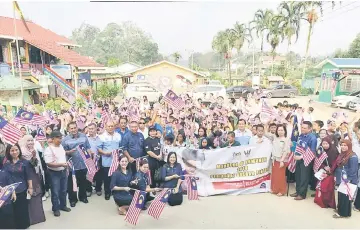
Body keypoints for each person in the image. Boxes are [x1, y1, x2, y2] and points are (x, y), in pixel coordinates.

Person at [61, 122, 93, 207]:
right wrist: (69, 152)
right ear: (68, 129)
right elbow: (62, 152)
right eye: (71, 128)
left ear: (77, 128)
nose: (74, 130)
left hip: (83, 164)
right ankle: (73, 199)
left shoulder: (83, 136)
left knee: (83, 181)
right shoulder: (65, 140)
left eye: (75, 127)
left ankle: (83, 197)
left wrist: (90, 158)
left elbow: (88, 147)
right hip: (72, 165)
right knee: (72, 183)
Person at [18, 135, 46, 225]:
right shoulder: (21, 152)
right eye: (28, 140)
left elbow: (36, 164)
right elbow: (24, 165)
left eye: (31, 140)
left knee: (37, 194)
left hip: (35, 175)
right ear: (24, 141)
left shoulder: (34, 150)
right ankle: (30, 218)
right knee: (29, 196)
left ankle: (38, 217)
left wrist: (33, 156)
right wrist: (32, 157)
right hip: (27, 177)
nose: (30, 142)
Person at [3, 144, 32, 229]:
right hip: (10, 190)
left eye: (16, 150)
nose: (15, 152)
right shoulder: (6, 163)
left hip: (22, 189)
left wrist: (30, 187)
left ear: (19, 150)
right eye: (12, 150)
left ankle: (24, 225)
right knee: (14, 210)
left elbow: (28, 176)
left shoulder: (25, 162)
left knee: (23, 209)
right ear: (9, 151)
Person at [44, 131, 71, 217]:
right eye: (58, 138)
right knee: (55, 191)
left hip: (63, 171)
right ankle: (55, 208)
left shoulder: (61, 147)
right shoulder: (48, 149)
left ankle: (63, 206)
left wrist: (65, 165)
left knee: (63, 190)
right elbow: (48, 163)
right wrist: (61, 164)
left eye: (61, 138)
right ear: (52, 139)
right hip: (54, 173)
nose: (60, 139)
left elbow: (62, 157)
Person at [291, 121, 317, 200]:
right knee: (298, 175)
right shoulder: (301, 135)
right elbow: (298, 145)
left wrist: (301, 157)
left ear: (310, 129)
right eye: (302, 127)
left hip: (306, 160)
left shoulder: (313, 138)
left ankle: (302, 194)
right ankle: (298, 191)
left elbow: (312, 152)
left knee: (304, 177)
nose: (302, 129)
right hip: (298, 157)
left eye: (304, 128)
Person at [333, 140, 358, 218]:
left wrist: (348, 180)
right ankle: (341, 210)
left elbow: (353, 170)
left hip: (348, 180)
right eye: (342, 145)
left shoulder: (353, 156)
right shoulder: (343, 154)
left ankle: (342, 214)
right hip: (342, 178)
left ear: (349, 146)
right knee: (341, 195)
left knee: (345, 197)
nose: (343, 147)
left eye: (345, 145)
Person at [97, 121, 122, 200]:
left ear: (114, 127)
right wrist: (105, 153)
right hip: (106, 160)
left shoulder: (118, 135)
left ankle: (115, 191)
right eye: (109, 126)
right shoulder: (101, 136)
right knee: (107, 178)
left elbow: (120, 146)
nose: (110, 128)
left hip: (116, 161)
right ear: (106, 127)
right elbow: (99, 149)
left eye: (112, 126)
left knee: (116, 177)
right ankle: (107, 192)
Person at [314, 136, 339, 209]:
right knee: (320, 186)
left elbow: (336, 162)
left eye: (326, 144)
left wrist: (330, 170)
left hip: (330, 173)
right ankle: (320, 200)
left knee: (327, 188)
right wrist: (324, 167)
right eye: (323, 143)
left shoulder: (334, 151)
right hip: (322, 171)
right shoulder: (321, 150)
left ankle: (328, 202)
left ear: (330, 144)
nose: (324, 145)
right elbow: (318, 160)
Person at [271, 124, 290, 196]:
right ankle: (275, 189)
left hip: (282, 160)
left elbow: (286, 151)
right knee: (275, 176)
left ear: (285, 131)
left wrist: (282, 160)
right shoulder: (275, 138)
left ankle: (282, 191)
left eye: (282, 130)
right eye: (279, 130)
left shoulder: (286, 139)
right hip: (275, 159)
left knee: (281, 176)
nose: (280, 131)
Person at [0, 144, 16, 229]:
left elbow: (9, 178)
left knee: (8, 214)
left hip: (6, 193)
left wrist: (13, 191)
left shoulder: (5, 163)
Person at [86, 123, 100, 196]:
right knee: (89, 175)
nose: (90, 130)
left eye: (92, 128)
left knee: (98, 175)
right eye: (89, 128)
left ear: (96, 129)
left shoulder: (100, 137)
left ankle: (98, 189)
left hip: (98, 158)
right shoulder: (85, 138)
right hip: (88, 159)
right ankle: (89, 189)